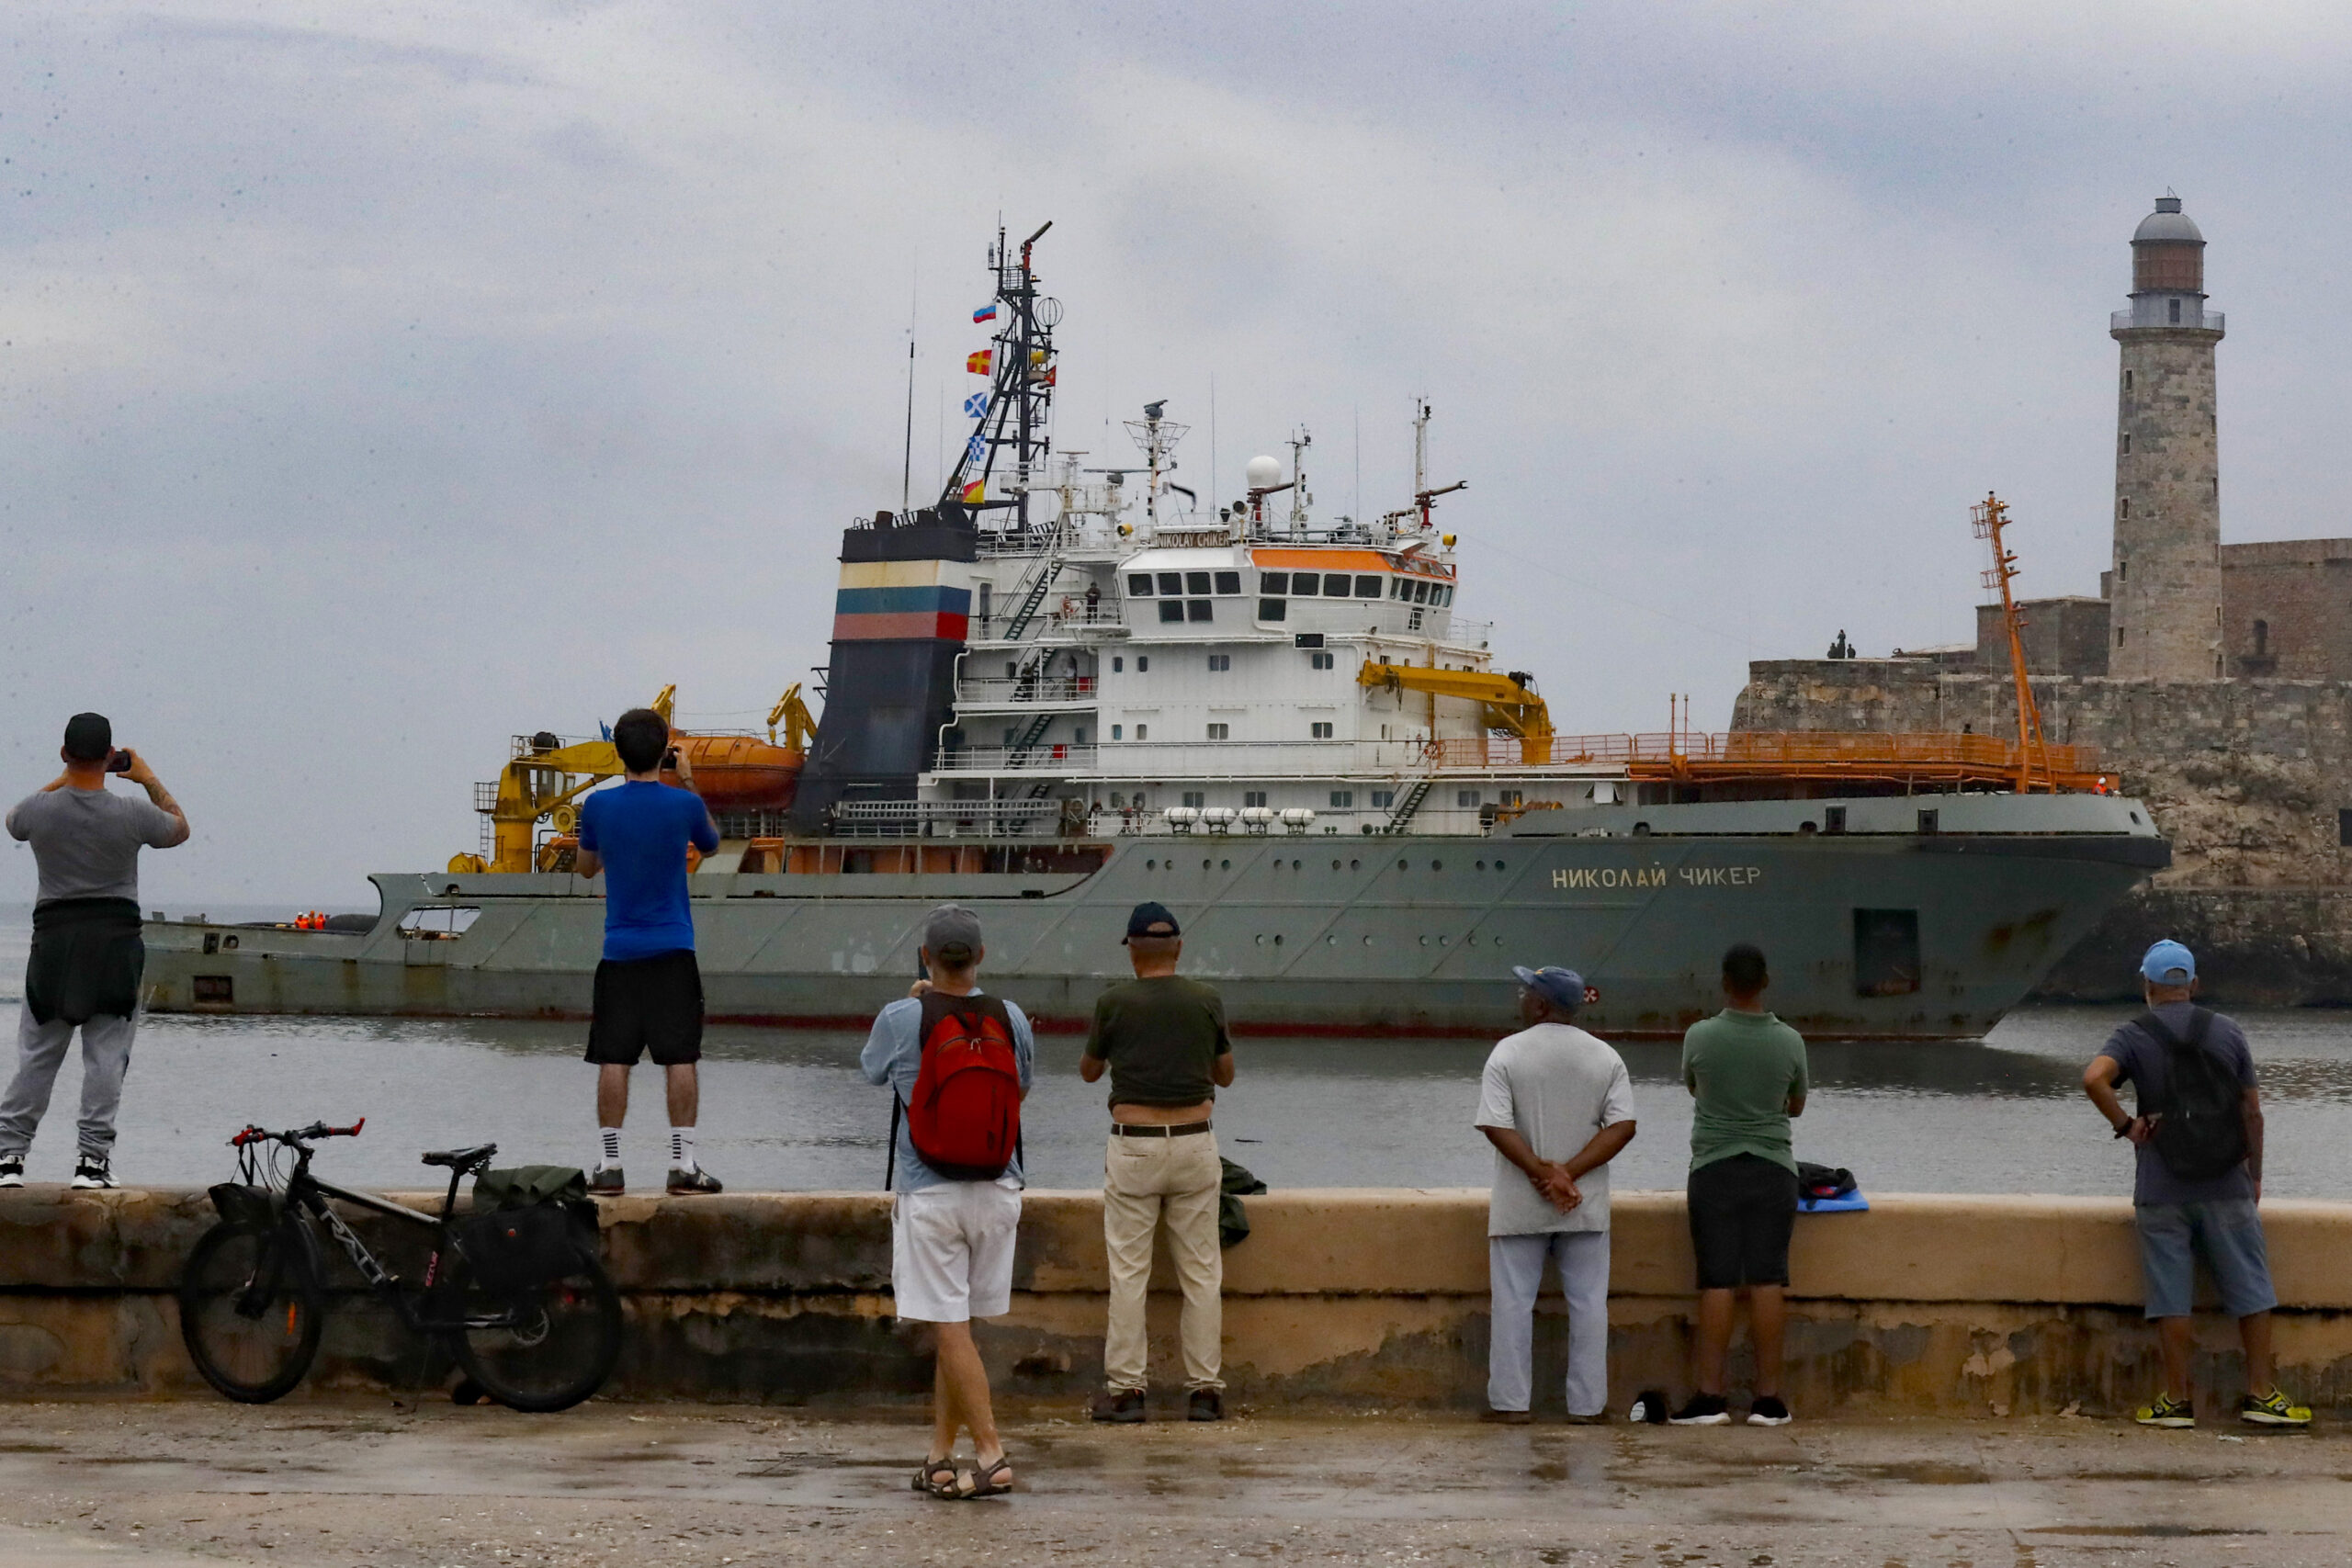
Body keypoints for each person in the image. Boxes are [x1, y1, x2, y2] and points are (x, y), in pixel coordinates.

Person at [2081, 940, 2310, 1428]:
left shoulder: (2132, 1034)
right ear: (2193, 985)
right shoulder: (2228, 1032)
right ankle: (2261, 1395)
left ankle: (2176, 1402)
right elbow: (2253, 1111)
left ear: (2147, 985)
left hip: (2161, 1188)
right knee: (2252, 1289)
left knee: (2171, 1295)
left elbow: (2093, 1079)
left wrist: (2126, 1126)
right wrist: (2255, 1175)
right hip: (2227, 1181)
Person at [862, 905, 1035, 1499]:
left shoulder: (900, 1015)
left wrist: (914, 1004)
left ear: (926, 956)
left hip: (930, 1191)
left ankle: (990, 1453)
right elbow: (1023, 1084)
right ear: (981, 956)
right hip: (998, 1188)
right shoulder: (1010, 1016)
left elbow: (871, 1072)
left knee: (950, 1327)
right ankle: (939, 1455)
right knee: (955, 1327)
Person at [1, 714, 188, 1190]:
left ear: (64, 754)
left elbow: (13, 822)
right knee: (106, 1055)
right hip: (115, 941)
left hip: (56, 941)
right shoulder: (131, 813)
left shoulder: (40, 811)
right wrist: (146, 778)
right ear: (110, 757)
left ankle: (8, 1158)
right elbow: (180, 828)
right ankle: (92, 1162)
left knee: (39, 1054)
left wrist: (69, 777)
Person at [1083, 901, 1235, 1424]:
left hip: (1134, 1143)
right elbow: (1226, 1075)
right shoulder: (1207, 999)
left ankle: (1127, 1393)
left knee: (1129, 1274)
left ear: (1132, 952)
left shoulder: (1113, 1002)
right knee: (1201, 1274)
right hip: (1195, 1142)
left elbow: (1088, 1071)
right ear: (1179, 947)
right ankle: (1206, 1393)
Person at [1475, 965, 1636, 1424]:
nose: (1520, 997)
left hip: (1518, 1205)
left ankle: (1511, 1404)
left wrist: (1540, 1173)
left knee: (1512, 1303)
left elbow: (1495, 1124)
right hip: (1583, 1206)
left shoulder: (1507, 1053)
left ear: (1542, 1004)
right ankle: (1586, 1407)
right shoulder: (1605, 1057)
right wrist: (1568, 1174)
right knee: (1588, 1305)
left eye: (1525, 992)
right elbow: (1623, 1126)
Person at [574, 706, 722, 1196]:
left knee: (613, 1057)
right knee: (680, 1057)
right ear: (664, 752)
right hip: (674, 949)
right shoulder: (683, 806)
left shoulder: (597, 806)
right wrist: (689, 780)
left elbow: (586, 869)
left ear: (618, 751)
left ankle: (610, 1167)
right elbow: (713, 845)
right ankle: (683, 1166)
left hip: (619, 951)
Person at [1670, 943, 1806, 1427]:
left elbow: (1693, 1087)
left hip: (1715, 1169)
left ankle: (1711, 1397)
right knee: (1769, 1278)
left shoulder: (1700, 1035)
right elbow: (1796, 1105)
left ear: (1725, 982)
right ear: (1765, 981)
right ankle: (1769, 1401)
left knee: (1718, 1280)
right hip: (1774, 1169)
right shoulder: (1790, 1040)